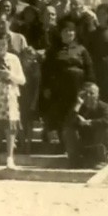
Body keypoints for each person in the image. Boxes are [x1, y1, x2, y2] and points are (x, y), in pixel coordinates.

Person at [40, 16, 95, 150]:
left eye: (71, 31)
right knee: (60, 115)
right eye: (65, 31)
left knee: (76, 114)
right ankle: (61, 145)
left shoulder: (82, 50)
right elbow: (46, 70)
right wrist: (46, 87)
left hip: (78, 89)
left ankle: (78, 144)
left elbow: (89, 68)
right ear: (60, 33)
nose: (68, 33)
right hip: (60, 90)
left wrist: (89, 84)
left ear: (75, 33)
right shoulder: (53, 51)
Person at [0, 33, 26, 169]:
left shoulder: (14, 59)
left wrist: (9, 75)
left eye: (4, 44)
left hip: (9, 95)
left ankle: (10, 158)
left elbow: (22, 80)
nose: (1, 47)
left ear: (8, 45)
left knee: (9, 128)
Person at [63, 83, 108, 168]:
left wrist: (88, 122)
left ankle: (100, 160)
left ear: (97, 95)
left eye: (92, 93)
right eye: (86, 93)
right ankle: (75, 160)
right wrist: (78, 104)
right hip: (84, 138)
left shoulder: (104, 106)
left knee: (106, 128)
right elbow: (68, 122)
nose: (89, 96)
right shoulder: (79, 107)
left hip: (99, 141)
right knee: (68, 129)